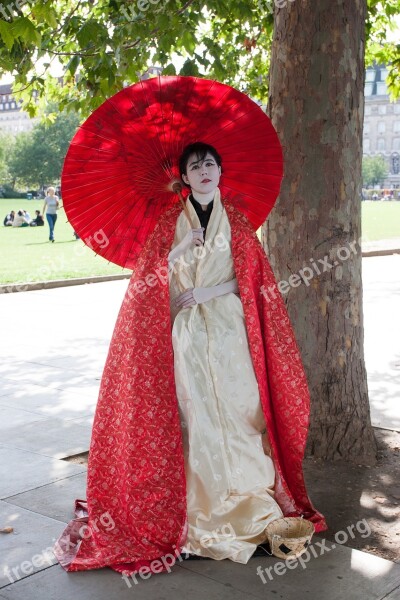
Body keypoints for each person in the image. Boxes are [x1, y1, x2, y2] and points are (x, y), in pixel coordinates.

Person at [53, 142, 327, 577]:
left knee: (242, 410)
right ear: (183, 177)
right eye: (195, 166)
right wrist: (179, 253)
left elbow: (250, 281)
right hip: (184, 334)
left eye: (210, 164)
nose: (204, 171)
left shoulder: (236, 223)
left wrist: (208, 292)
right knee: (195, 413)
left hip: (230, 331)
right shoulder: (169, 224)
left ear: (220, 172)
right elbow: (147, 279)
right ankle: (199, 515)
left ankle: (250, 503)